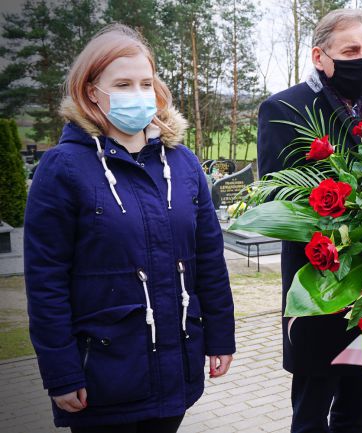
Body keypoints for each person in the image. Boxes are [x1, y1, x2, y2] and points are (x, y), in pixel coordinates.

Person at [23, 24, 235, 432]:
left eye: (145, 82)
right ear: (91, 91)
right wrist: (60, 371)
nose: (138, 94)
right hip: (103, 374)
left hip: (176, 365)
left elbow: (209, 259)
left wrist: (221, 336)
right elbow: (46, 280)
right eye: (122, 83)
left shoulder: (184, 164)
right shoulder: (64, 168)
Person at [256, 8, 362, 433]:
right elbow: (278, 194)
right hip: (318, 279)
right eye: (351, 49)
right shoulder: (283, 106)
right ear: (320, 56)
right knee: (312, 407)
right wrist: (350, 218)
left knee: (359, 406)